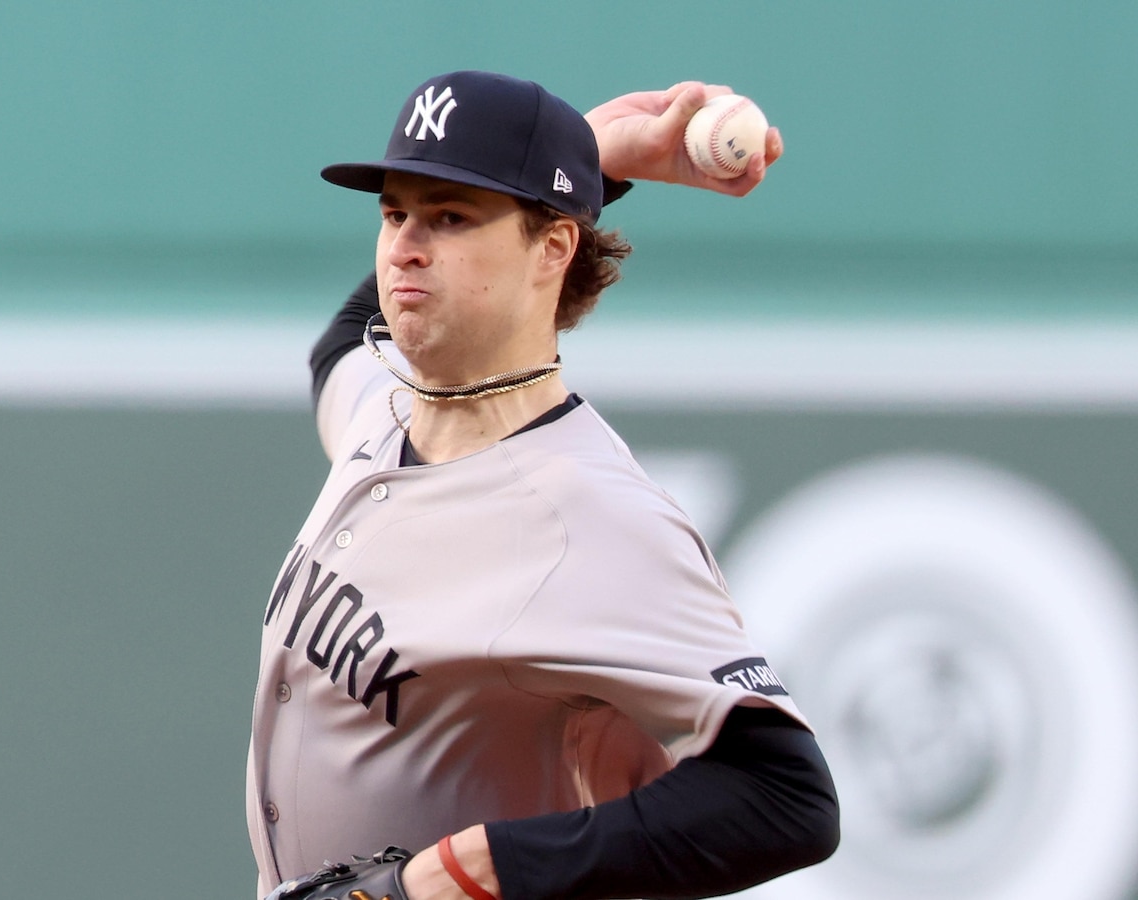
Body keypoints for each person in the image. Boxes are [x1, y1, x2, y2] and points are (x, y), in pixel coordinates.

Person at [249, 70, 839, 900]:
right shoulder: (385, 412)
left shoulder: (586, 516)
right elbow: (339, 345)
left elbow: (787, 800)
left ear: (553, 247)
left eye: (450, 216)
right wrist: (587, 155)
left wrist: (454, 877)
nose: (405, 246)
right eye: (394, 213)